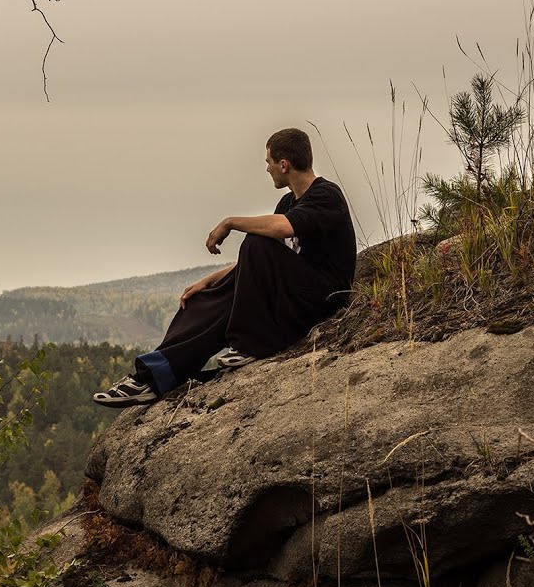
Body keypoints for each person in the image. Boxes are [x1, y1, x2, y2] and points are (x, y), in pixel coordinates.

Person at [92, 127, 356, 408]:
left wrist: (229, 222)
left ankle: (250, 344)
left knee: (257, 241)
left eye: (268, 162)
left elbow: (280, 230)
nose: (266, 169)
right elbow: (260, 263)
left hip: (323, 300)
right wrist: (209, 281)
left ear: (283, 164)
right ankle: (153, 376)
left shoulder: (326, 195)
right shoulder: (289, 201)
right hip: (296, 295)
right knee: (208, 300)